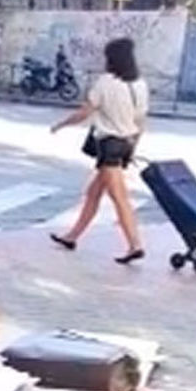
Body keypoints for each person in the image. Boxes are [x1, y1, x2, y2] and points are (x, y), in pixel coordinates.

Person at [49, 38, 150, 264]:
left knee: (119, 197)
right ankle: (71, 237)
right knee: (93, 193)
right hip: (126, 143)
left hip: (109, 146)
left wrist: (61, 125)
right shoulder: (140, 84)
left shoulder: (105, 83)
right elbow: (141, 121)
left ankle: (135, 245)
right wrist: (133, 147)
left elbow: (84, 113)